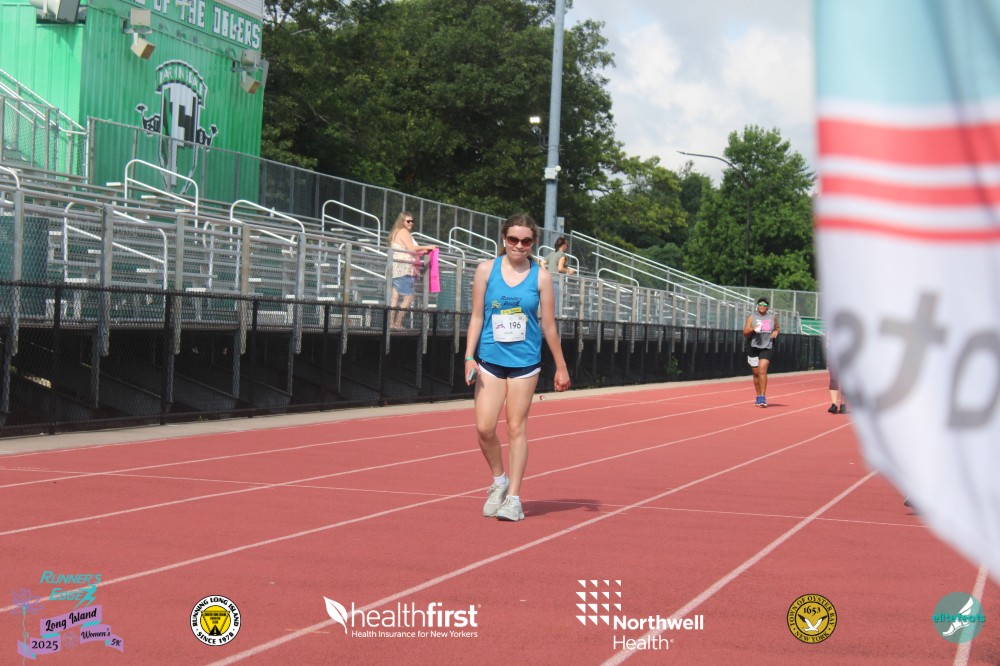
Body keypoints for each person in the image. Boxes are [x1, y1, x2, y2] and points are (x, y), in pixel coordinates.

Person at [464, 213, 571, 522]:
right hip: (489, 359)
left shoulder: (541, 277)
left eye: (526, 241)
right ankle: (499, 480)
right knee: (484, 428)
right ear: (504, 239)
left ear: (533, 243)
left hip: (525, 362)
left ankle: (514, 499)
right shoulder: (486, 270)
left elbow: (549, 325)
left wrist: (561, 367)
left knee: (515, 427)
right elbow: (476, 316)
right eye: (513, 239)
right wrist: (469, 356)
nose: (519, 246)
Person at [387, 212, 434, 329]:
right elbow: (411, 248)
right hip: (404, 268)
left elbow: (408, 249)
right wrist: (428, 247)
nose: (411, 223)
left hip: (395, 267)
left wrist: (423, 251)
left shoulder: (395, 232)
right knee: (409, 297)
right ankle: (397, 323)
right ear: (402, 221)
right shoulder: (403, 232)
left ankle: (391, 324)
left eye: (412, 221)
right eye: (408, 221)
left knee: (395, 297)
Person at [743, 296, 779, 407]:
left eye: (764, 305)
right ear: (757, 306)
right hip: (753, 346)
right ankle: (758, 396)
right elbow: (745, 332)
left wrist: (776, 332)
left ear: (767, 307)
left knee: (762, 369)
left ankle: (763, 397)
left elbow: (777, 328)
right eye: (760, 304)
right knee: (756, 373)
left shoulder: (772, 317)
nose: (762, 306)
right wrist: (753, 329)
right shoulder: (752, 317)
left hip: (767, 346)